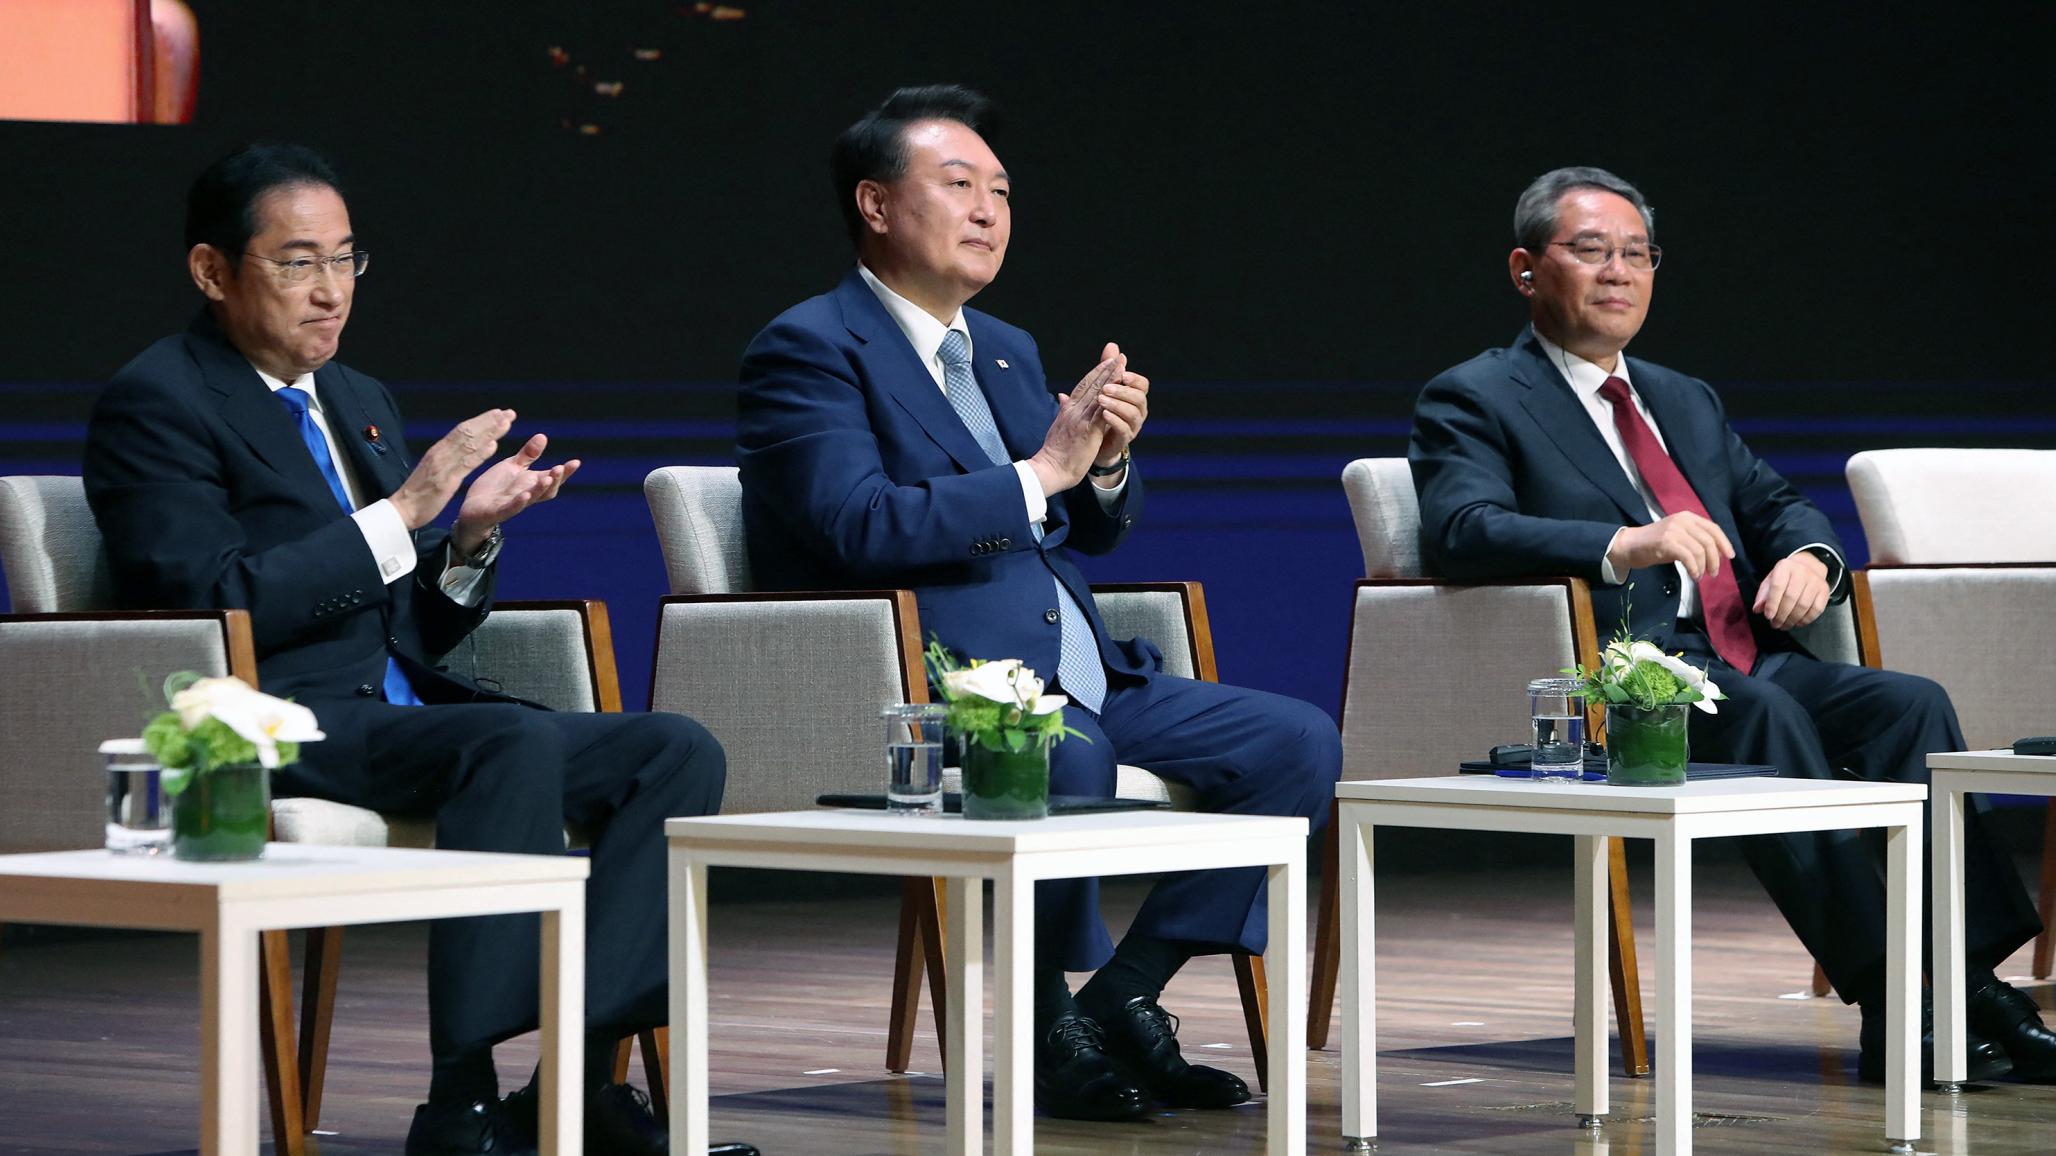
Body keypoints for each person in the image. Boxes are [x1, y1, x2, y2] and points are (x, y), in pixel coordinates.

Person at [83, 143, 751, 1156]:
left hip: (396, 713)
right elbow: (211, 600)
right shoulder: (159, 402)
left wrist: (466, 539)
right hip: (276, 717)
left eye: (346, 261)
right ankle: (459, 1101)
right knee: (506, 744)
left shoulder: (358, 398)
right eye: (297, 262)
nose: (329, 293)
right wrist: (403, 512)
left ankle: (573, 1081)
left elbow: (408, 622)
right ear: (213, 271)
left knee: (674, 749)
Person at [735, 85, 1340, 1121]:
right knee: (1069, 754)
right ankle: (1043, 1021)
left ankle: (1120, 994)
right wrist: (1040, 473)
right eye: (958, 185)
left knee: (1294, 742)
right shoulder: (811, 348)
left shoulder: (1004, 345)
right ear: (876, 206)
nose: (988, 212)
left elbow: (1089, 523)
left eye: (1001, 191)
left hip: (1085, 671)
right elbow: (854, 523)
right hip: (940, 692)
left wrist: (1104, 464)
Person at [1409, 164, 2056, 1083]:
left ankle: (1968, 981)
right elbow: (1463, 529)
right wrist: (1625, 540)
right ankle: (1896, 999)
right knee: (1767, 718)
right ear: (1526, 270)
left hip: (1740, 654)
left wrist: (1810, 559)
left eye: (1637, 254)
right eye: (1591, 251)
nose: (1619, 273)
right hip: (1628, 676)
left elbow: (1778, 503)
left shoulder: (1684, 399)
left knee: (1906, 706)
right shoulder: (1474, 395)